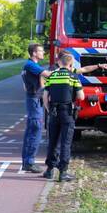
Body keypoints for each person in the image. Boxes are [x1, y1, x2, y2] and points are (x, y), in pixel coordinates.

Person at [42, 52, 85, 182]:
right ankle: (63, 172)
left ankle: (49, 170)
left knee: (52, 141)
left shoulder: (52, 75)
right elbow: (81, 96)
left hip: (54, 112)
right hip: (67, 112)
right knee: (65, 142)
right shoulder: (73, 76)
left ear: (60, 62)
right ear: (70, 63)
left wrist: (49, 109)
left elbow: (45, 96)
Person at [20, 44, 47, 173]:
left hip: (34, 100)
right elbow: (46, 74)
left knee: (31, 130)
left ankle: (27, 161)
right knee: (35, 129)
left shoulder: (28, 65)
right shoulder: (31, 65)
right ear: (34, 53)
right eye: (41, 51)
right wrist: (63, 71)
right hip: (34, 101)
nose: (43, 52)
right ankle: (29, 162)